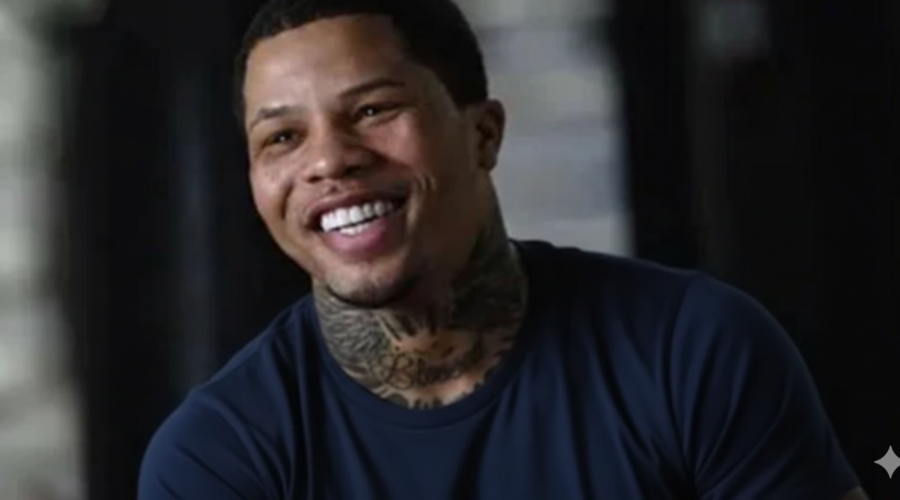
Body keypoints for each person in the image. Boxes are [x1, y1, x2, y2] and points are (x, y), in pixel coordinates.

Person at [138, 0, 868, 498]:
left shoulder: (693, 349)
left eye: (372, 109)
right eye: (282, 138)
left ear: (483, 133)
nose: (329, 162)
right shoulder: (218, 459)